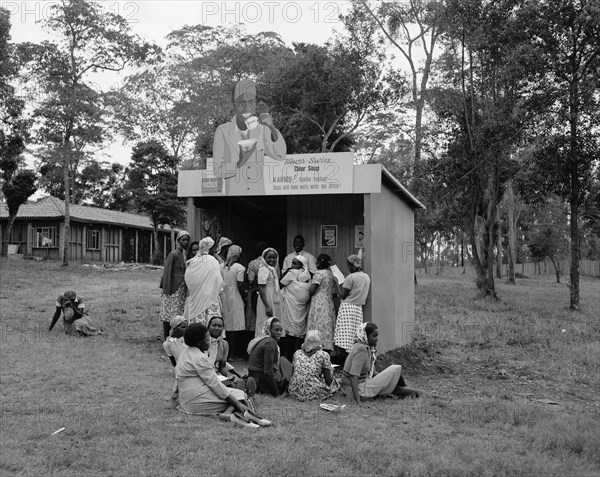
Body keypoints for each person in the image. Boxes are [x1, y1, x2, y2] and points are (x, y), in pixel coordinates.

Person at [176, 323, 270, 427]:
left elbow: (177, 380)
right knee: (240, 395)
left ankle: (229, 415)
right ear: (199, 342)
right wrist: (237, 403)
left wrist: (174, 399)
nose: (210, 341)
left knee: (235, 394)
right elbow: (215, 384)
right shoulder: (200, 358)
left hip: (186, 401)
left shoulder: (184, 353)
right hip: (197, 401)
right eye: (207, 340)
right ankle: (251, 416)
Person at [213, 79, 286, 196]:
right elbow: (217, 170)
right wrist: (239, 163)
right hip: (235, 199)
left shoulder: (263, 129)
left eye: (251, 103)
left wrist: (272, 127)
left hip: (259, 199)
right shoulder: (222, 131)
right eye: (242, 103)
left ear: (255, 105)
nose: (247, 108)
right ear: (234, 106)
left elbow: (280, 154)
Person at [340, 323, 420, 404]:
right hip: (359, 390)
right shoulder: (361, 349)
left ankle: (412, 392)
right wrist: (358, 401)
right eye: (374, 336)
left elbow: (373, 373)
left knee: (396, 385)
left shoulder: (367, 348)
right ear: (365, 336)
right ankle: (423, 394)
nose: (377, 339)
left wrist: (386, 380)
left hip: (362, 385)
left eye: (377, 336)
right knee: (395, 369)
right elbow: (353, 376)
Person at [333, 254, 371, 353]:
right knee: (354, 336)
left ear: (353, 266)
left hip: (347, 308)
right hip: (358, 309)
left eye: (349, 266)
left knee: (344, 337)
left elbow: (342, 295)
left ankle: (345, 362)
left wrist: (336, 283)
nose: (348, 268)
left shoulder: (350, 277)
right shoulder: (366, 277)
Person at [288, 330, 340, 402]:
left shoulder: (297, 353)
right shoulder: (324, 355)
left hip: (294, 392)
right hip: (312, 394)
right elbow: (328, 381)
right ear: (320, 341)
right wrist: (331, 371)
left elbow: (293, 374)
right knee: (335, 383)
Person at [247, 318, 292, 397]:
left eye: (281, 330)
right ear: (269, 330)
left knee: (283, 360)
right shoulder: (270, 343)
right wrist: (276, 393)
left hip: (254, 376)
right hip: (260, 381)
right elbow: (267, 371)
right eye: (276, 330)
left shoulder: (263, 339)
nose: (279, 333)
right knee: (289, 369)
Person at [184, 237, 224, 325]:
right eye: (214, 248)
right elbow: (219, 280)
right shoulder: (212, 261)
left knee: (198, 323)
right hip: (210, 298)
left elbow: (188, 279)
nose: (216, 250)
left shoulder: (193, 261)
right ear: (210, 248)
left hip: (195, 297)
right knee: (211, 323)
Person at [279, 255, 311, 360]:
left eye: (295, 264)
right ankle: (297, 355)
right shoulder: (307, 275)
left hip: (292, 304)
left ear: (302, 265)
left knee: (289, 332)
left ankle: (287, 356)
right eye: (292, 263)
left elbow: (282, 283)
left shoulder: (291, 273)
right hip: (301, 306)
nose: (292, 266)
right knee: (298, 333)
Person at [159, 230, 190, 338]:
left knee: (178, 313)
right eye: (183, 240)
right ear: (178, 241)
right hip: (173, 288)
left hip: (181, 288)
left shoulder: (185, 254)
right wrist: (167, 289)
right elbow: (167, 272)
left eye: (187, 240)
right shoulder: (173, 254)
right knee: (169, 314)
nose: (186, 242)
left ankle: (176, 337)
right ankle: (167, 338)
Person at [219, 245, 247, 358]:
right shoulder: (240, 268)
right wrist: (244, 296)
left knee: (225, 324)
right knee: (235, 326)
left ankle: (224, 353)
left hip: (223, 295)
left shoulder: (221, 266)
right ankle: (232, 353)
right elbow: (240, 284)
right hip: (235, 296)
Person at [307, 254, 336, 352]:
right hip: (328, 302)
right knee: (326, 325)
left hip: (319, 303)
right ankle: (327, 347)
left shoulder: (319, 274)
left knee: (318, 324)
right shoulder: (329, 273)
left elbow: (312, 290)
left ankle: (316, 347)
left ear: (319, 262)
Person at [255, 247, 282, 337]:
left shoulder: (272, 270)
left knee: (272, 323)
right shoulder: (263, 269)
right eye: (269, 257)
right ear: (264, 258)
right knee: (266, 322)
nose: (272, 260)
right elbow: (261, 288)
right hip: (266, 299)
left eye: (274, 257)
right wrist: (267, 306)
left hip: (272, 298)